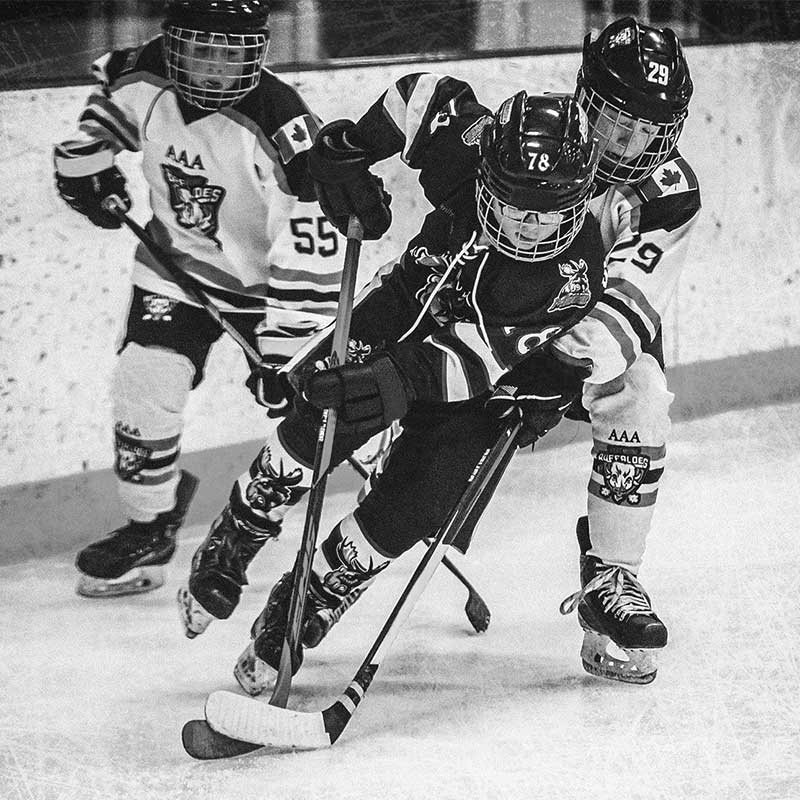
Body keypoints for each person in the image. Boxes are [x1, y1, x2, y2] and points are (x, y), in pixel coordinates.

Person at [235, 15, 701, 690]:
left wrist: (563, 365)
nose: (626, 145)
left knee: (642, 393)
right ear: (585, 97)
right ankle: (321, 586)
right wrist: (358, 147)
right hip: (484, 332)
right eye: (613, 120)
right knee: (426, 487)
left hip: (587, 341)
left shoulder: (667, 192)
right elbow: (426, 105)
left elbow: (633, 297)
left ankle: (611, 574)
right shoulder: (532, 141)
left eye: (646, 132)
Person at [178, 86, 607, 684]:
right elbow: (421, 95)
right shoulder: (469, 146)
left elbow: (476, 361)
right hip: (402, 306)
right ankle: (240, 530)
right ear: (486, 166)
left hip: (475, 384)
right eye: (512, 202)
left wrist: (397, 380)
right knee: (322, 414)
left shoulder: (572, 272)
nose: (528, 226)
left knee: (413, 504)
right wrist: (352, 149)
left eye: (550, 210)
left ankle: (310, 597)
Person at [54, 0, 346, 597]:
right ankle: (151, 525)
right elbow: (110, 113)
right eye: (201, 48)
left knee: (320, 413)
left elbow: (311, 241)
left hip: (272, 291)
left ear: (257, 51)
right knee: (143, 383)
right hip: (176, 268)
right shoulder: (145, 74)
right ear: (174, 43)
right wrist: (88, 162)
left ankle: (377, 522)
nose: (214, 67)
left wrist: (286, 349)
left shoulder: (284, 124)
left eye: (231, 52)